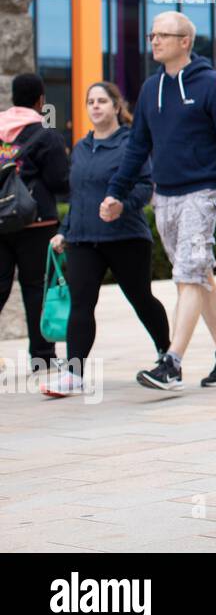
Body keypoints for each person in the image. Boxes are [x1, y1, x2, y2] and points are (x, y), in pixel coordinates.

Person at [100, 11, 216, 391]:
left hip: (202, 191)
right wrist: (116, 192)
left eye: (163, 35)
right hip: (164, 195)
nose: (154, 40)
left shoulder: (212, 86)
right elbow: (137, 148)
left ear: (185, 41)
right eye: (153, 34)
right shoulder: (151, 89)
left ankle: (172, 362)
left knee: (188, 271)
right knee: (198, 273)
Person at [42, 83, 170, 397]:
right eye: (90, 101)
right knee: (81, 304)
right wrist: (64, 230)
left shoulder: (131, 144)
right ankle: (74, 374)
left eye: (102, 101)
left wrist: (122, 205)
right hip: (84, 239)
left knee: (141, 299)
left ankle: (168, 353)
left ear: (116, 106)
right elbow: (78, 197)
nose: (95, 106)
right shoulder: (82, 147)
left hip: (125, 237)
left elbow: (144, 187)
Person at [0, 72, 70, 371]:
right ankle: (41, 357)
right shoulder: (46, 134)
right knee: (35, 287)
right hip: (36, 223)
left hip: (0, 222)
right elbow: (59, 181)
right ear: (41, 100)